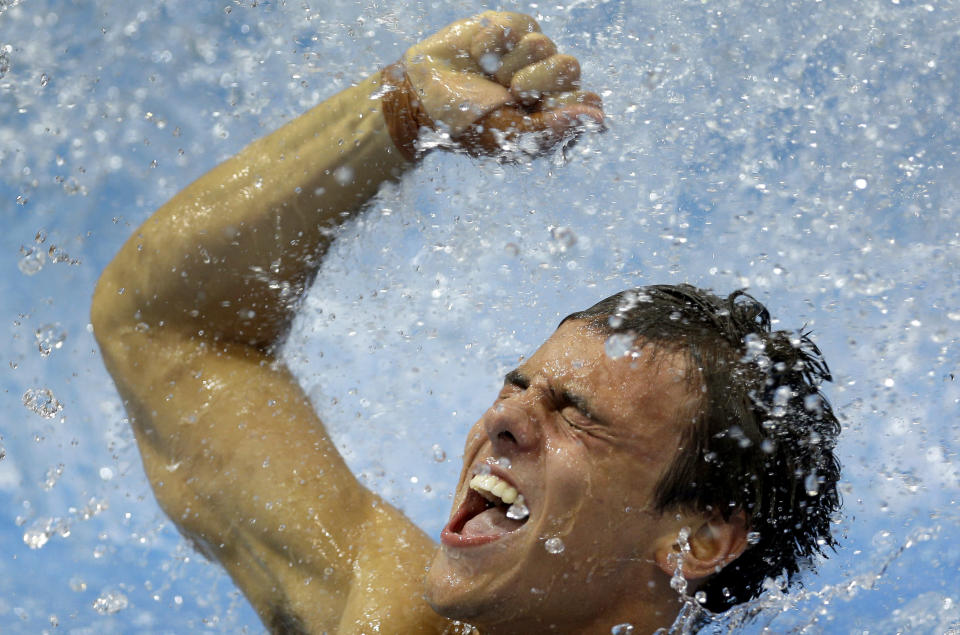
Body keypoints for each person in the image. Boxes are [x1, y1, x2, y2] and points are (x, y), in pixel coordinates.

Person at [90, 11, 841, 634]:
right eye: (518, 386)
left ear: (700, 537)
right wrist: (400, 113)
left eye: (576, 415)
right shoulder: (389, 615)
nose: (504, 417)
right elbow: (165, 327)